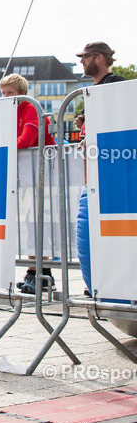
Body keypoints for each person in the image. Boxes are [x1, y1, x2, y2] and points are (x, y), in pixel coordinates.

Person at [75, 42, 124, 299]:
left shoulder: (115, 84)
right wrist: (85, 122)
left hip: (114, 169)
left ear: (99, 58)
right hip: (98, 171)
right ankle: (102, 283)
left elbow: (121, 119)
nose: (81, 62)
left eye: (84, 58)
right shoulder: (94, 90)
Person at [0, 73, 56, 294]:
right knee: (31, 224)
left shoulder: (31, 108)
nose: (6, 97)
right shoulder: (8, 112)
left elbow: (26, 140)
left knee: (38, 224)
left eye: (10, 93)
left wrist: (2, 147)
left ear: (21, 94)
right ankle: (42, 275)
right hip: (27, 175)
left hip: (43, 173)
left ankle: (37, 273)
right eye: (3, 93)